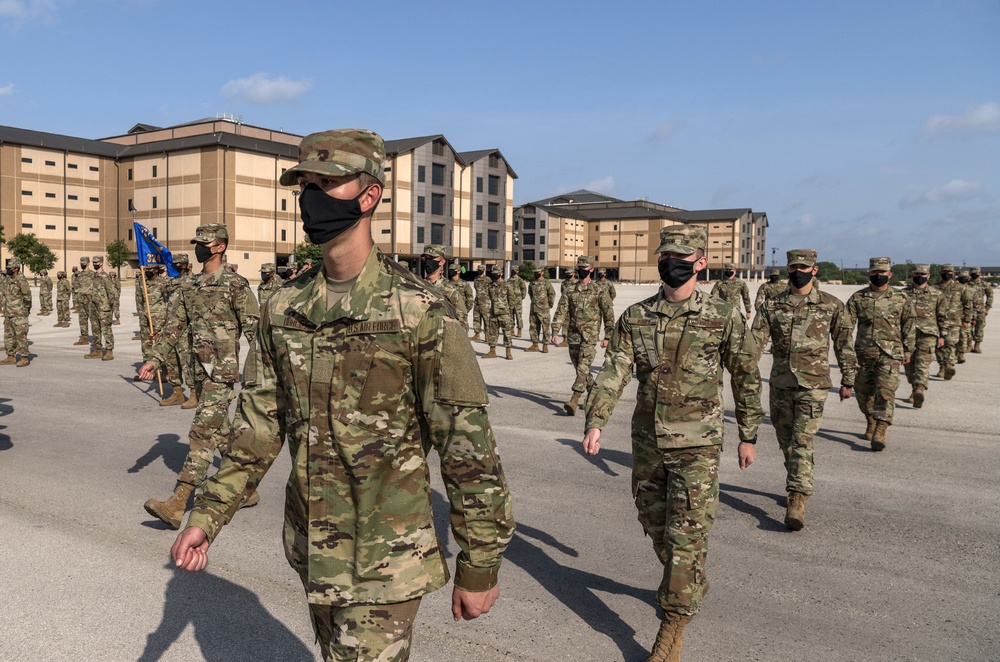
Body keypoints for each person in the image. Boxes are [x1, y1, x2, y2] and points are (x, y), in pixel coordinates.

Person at [168, 129, 514, 662]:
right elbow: (257, 427)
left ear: (370, 194)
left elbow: (469, 451)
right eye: (304, 183)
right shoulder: (283, 306)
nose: (311, 197)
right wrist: (206, 516)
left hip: (387, 558)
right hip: (314, 546)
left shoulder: (420, 310)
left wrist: (480, 563)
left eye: (327, 183)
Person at [582, 225, 762, 662]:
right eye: (665, 256)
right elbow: (614, 371)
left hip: (697, 447)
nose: (670, 263)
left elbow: (745, 375)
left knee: (685, 537)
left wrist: (749, 434)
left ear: (701, 261)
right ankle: (690, 577)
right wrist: (596, 420)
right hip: (647, 444)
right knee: (657, 526)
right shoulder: (636, 316)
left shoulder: (723, 315)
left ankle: (672, 625)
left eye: (681, 257)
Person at [138, 223, 259, 528]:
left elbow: (256, 334)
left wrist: (260, 375)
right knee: (221, 432)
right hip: (198, 372)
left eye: (204, 243)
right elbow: (173, 327)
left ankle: (179, 502)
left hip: (222, 372)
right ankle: (248, 488)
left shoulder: (236, 285)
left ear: (220, 246)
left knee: (201, 434)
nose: (199, 247)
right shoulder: (188, 286)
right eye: (197, 242)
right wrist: (154, 360)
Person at [751, 249, 857, 530]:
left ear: (815, 269)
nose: (798, 271)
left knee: (801, 440)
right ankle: (799, 479)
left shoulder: (831, 305)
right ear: (787, 269)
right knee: (785, 441)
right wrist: (741, 369)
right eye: (794, 266)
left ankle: (797, 497)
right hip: (781, 384)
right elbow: (755, 342)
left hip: (814, 385)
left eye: (804, 266)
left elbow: (845, 343)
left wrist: (848, 379)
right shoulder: (772, 306)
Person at [846, 257, 915, 451]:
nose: (879, 276)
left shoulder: (901, 299)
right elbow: (846, 326)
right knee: (862, 393)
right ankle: (871, 420)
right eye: (875, 272)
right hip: (863, 354)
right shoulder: (858, 298)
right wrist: (847, 350)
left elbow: (909, 325)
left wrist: (908, 350)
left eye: (882, 273)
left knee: (886, 393)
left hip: (890, 354)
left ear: (890, 274)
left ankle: (881, 430)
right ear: (869, 274)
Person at [551, 256, 614, 416]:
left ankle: (574, 399)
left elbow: (608, 313)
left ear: (591, 269)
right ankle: (594, 396)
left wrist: (608, 335)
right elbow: (561, 310)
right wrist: (555, 330)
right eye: (579, 267)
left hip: (590, 337)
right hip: (573, 336)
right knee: (581, 370)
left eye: (585, 267)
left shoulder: (599, 290)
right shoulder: (570, 290)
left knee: (582, 368)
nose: (581, 270)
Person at [902, 264, 947, 408]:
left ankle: (920, 389)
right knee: (909, 367)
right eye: (917, 274)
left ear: (928, 276)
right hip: (907, 335)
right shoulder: (902, 294)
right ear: (912, 276)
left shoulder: (937, 294)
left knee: (922, 364)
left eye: (923, 274)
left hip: (928, 335)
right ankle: (914, 388)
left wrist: (942, 336)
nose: (919, 277)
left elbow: (942, 316)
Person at [160, 253, 198, 407]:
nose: (174, 266)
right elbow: (163, 294)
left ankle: (194, 393)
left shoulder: (193, 282)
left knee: (187, 362)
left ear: (184, 265)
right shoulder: (171, 282)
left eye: (177, 264)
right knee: (171, 361)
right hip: (170, 328)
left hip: (185, 330)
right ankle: (177, 392)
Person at [932, 264, 963, 380]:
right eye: (945, 272)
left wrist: (968, 319)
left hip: (954, 321)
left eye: (949, 272)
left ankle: (949, 365)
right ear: (941, 274)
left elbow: (967, 303)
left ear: (953, 274)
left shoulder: (960, 288)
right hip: (937, 321)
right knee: (938, 345)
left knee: (950, 343)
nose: (947, 274)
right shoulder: (934, 288)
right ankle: (942, 366)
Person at [1, 258, 32, 367]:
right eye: (7, 268)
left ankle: (24, 357)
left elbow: (28, 298)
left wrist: (25, 311)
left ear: (16, 269)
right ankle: (10, 356)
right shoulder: (7, 280)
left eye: (10, 268)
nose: (8, 270)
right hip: (9, 313)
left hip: (19, 314)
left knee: (21, 336)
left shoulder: (22, 281)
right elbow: (4, 294)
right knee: (8, 336)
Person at [83, 255, 116, 361]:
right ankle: (97, 350)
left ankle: (109, 350)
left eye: (97, 263)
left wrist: (109, 307)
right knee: (95, 328)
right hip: (93, 306)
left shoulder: (105, 277)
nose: (95, 264)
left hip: (104, 308)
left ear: (101, 263)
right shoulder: (93, 276)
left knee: (106, 329)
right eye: (94, 262)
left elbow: (112, 293)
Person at [482, 264, 518, 360]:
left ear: (501, 273)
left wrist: (507, 311)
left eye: (497, 274)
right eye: (493, 274)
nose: (495, 275)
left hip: (504, 313)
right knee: (492, 333)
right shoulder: (490, 286)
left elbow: (512, 300)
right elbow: (489, 297)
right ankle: (492, 351)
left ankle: (508, 352)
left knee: (507, 333)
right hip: (493, 313)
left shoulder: (507, 285)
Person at [526, 267, 555, 353]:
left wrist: (548, 305)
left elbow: (551, 294)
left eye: (537, 272)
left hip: (544, 309)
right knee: (533, 327)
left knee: (545, 327)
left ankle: (545, 345)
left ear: (542, 272)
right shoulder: (532, 283)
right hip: (534, 308)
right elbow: (530, 294)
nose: (536, 274)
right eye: (535, 272)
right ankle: (535, 344)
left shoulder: (547, 283)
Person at [442, 261, 474, 330]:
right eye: (450, 270)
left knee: (462, 335)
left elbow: (470, 300)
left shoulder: (465, 284)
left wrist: (464, 312)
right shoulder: (446, 284)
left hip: (461, 316)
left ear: (459, 271)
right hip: (449, 314)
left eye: (453, 270)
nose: (451, 272)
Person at [967, 266, 992, 353]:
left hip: (980, 310)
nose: (974, 275)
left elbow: (990, 296)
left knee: (979, 328)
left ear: (980, 274)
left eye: (976, 274)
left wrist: (987, 307)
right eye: (972, 274)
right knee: (968, 328)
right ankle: (969, 345)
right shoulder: (966, 284)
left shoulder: (985, 284)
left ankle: (977, 345)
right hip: (968, 310)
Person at [73, 257, 94, 347]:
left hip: (90, 300)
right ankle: (84, 338)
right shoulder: (79, 275)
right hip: (81, 300)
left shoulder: (93, 274)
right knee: (82, 320)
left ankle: (96, 340)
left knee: (94, 321)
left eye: (84, 263)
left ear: (88, 263)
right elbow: (76, 287)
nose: (82, 264)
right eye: (81, 263)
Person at [472, 264, 489, 340]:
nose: (479, 271)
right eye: (478, 270)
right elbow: (476, 288)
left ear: (484, 270)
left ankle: (487, 335)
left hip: (485, 302)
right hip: (477, 302)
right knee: (476, 318)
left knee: (486, 319)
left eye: (480, 270)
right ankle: (477, 334)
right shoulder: (475, 279)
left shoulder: (488, 280)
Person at [507, 269, 527, 337]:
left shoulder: (520, 280)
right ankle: (512, 329)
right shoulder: (508, 280)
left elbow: (524, 289)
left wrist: (521, 298)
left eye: (515, 270)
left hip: (517, 301)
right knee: (510, 316)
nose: (513, 271)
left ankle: (519, 330)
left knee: (519, 316)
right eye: (512, 270)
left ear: (518, 271)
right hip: (510, 301)